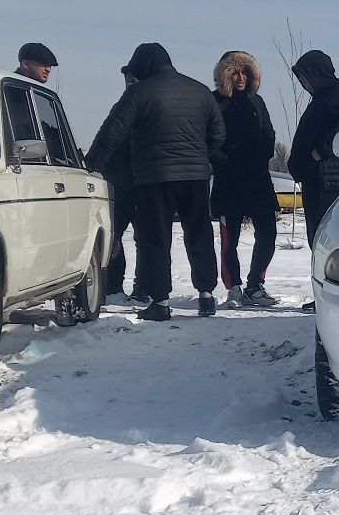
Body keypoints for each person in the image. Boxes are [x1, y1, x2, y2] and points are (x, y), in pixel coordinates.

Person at [86, 42, 225, 322]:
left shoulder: (139, 93)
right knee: (199, 234)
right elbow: (218, 134)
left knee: (155, 239)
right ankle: (207, 296)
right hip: (196, 177)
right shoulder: (200, 91)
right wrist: (197, 157)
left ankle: (160, 302)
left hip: (155, 178)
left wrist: (88, 166)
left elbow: (111, 133)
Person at [287, 51, 339, 306]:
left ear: (316, 73)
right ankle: (322, 295)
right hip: (316, 179)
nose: (302, 83)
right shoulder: (322, 97)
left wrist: (318, 152)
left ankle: (332, 295)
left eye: (304, 76)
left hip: (331, 180)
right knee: (316, 239)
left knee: (327, 241)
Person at [210, 50, 280, 308]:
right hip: (229, 182)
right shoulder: (215, 102)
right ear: (226, 75)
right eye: (235, 72)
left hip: (258, 179)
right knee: (230, 239)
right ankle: (234, 288)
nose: (241, 77)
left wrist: (263, 153)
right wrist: (223, 162)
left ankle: (255, 284)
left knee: (268, 233)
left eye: (245, 72)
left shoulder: (256, 101)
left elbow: (269, 133)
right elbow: (208, 141)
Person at [99, 65, 137, 299]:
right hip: (120, 182)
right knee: (114, 235)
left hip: (138, 181)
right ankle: (114, 285)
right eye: (127, 77)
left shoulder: (140, 103)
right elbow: (109, 139)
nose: (129, 81)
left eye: (133, 76)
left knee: (145, 238)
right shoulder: (124, 103)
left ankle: (138, 286)